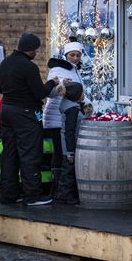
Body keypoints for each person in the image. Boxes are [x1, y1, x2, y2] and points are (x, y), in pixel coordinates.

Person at [0, 33, 58, 205]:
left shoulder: (5, 63)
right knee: (30, 154)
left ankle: (8, 195)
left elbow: (0, 89)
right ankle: (32, 196)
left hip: (6, 111)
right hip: (26, 114)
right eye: (36, 50)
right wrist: (52, 82)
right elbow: (40, 93)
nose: (36, 53)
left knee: (9, 154)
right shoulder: (29, 67)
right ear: (30, 50)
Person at [43, 39, 84, 197]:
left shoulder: (75, 70)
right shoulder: (58, 69)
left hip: (69, 115)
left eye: (78, 55)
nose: (75, 58)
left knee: (65, 152)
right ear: (66, 55)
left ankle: (62, 189)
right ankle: (57, 190)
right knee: (60, 153)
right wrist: (61, 84)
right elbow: (50, 92)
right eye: (72, 55)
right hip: (56, 116)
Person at [54, 82, 85, 205]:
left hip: (67, 147)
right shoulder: (72, 110)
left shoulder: (71, 106)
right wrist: (70, 152)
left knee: (68, 170)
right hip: (69, 148)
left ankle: (64, 193)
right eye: (82, 92)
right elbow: (69, 132)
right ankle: (65, 195)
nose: (84, 94)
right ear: (75, 95)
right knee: (68, 171)